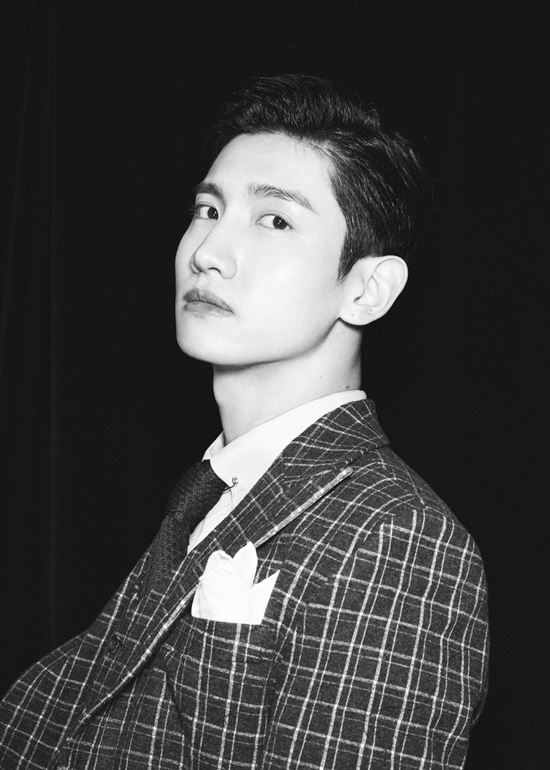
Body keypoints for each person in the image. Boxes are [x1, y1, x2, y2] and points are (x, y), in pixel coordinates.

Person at [0, 74, 488, 769]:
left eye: (275, 220)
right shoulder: (213, 491)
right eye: (208, 209)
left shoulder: (395, 535)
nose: (207, 251)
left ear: (367, 290)